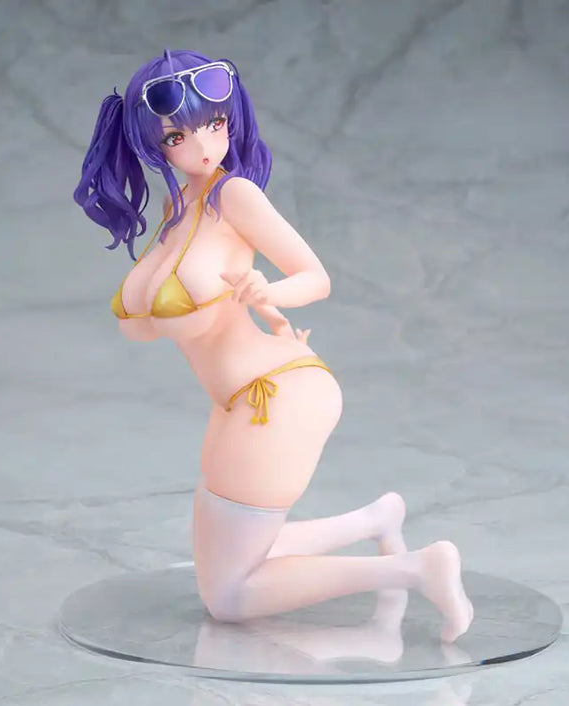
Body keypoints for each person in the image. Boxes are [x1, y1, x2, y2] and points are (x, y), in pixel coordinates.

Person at [74, 49, 473, 642]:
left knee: (230, 596)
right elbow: (153, 319)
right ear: (153, 146)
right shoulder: (177, 207)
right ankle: (376, 519)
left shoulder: (235, 195)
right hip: (236, 401)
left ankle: (418, 570)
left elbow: (317, 277)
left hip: (275, 397)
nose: (203, 145)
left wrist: (269, 290)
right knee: (225, 563)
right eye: (178, 136)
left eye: (215, 123)